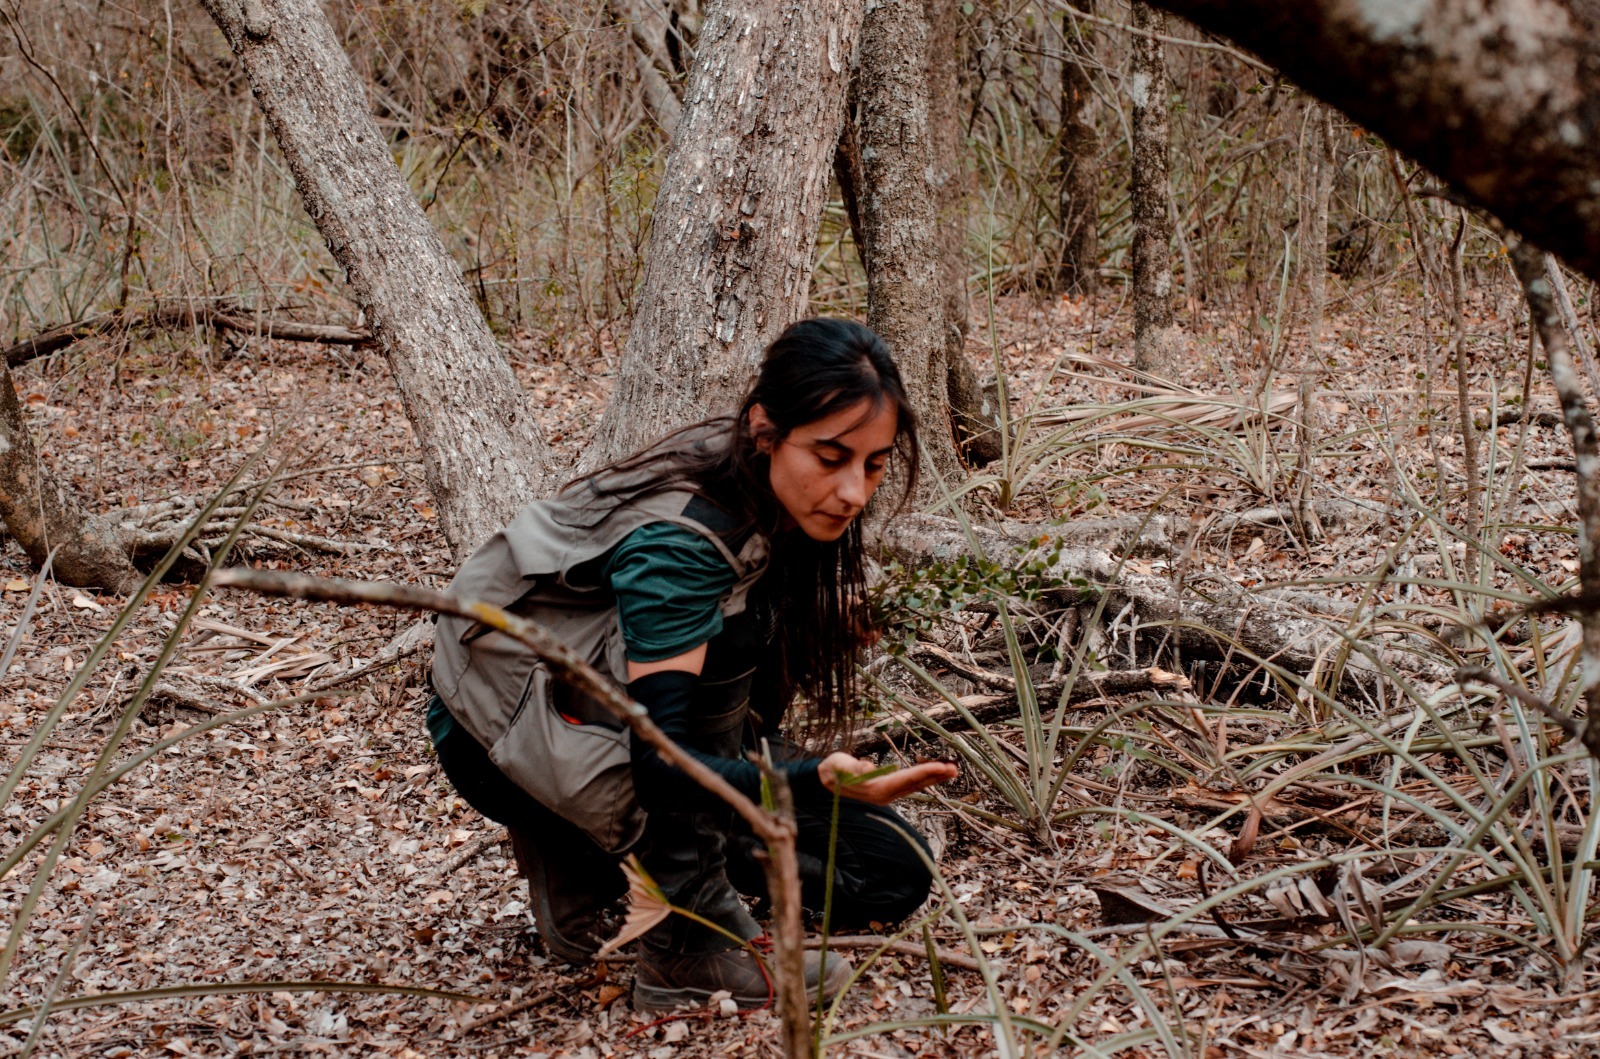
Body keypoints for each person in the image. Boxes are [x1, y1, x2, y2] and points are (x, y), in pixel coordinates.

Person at [425, 318, 959, 1013]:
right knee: (729, 659)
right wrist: (811, 778)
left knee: (893, 870)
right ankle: (686, 950)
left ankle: (588, 857)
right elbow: (663, 765)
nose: (855, 491)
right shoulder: (684, 548)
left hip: (624, 720)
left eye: (874, 464)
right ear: (765, 428)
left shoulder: (761, 477)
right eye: (831, 457)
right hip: (501, 738)